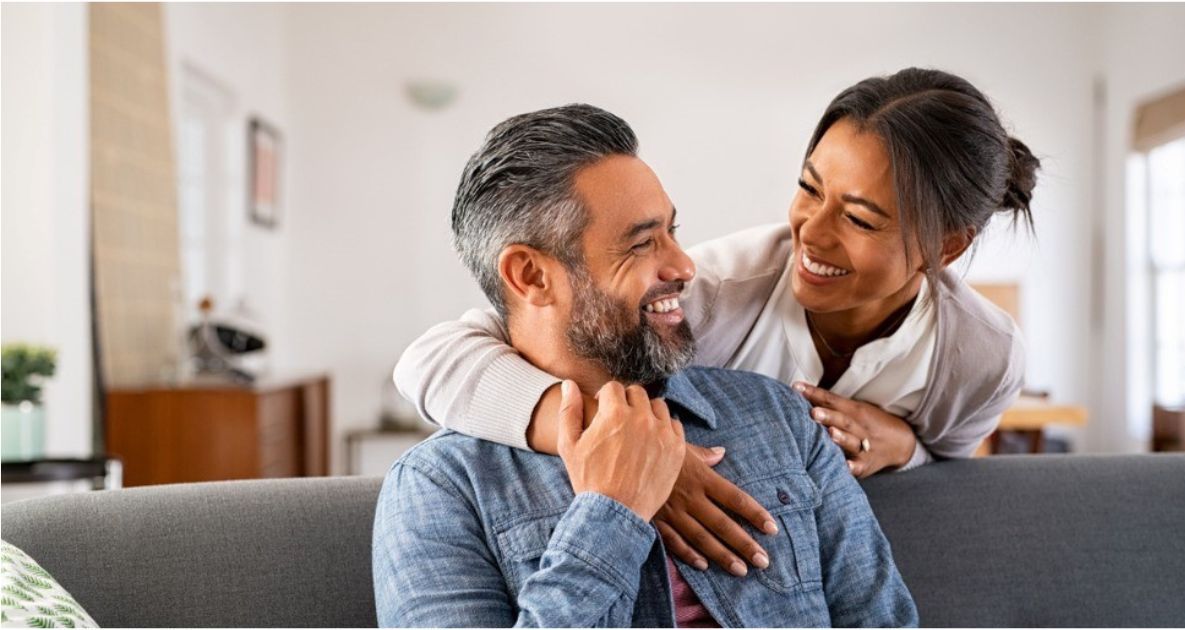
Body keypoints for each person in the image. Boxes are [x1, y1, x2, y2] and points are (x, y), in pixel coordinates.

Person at [395, 67, 1039, 576]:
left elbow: (951, 471)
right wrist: (628, 449)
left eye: (860, 218)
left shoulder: (981, 357)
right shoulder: (714, 291)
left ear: (945, 247)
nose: (810, 234)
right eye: (809, 188)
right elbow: (434, 359)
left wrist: (907, 448)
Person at [373, 104, 917, 627]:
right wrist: (611, 513)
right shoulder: (440, 488)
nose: (683, 265)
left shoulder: (781, 418)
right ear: (531, 276)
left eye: (673, 232)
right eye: (641, 244)